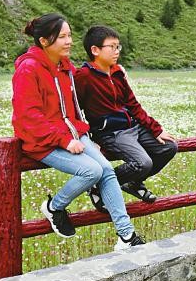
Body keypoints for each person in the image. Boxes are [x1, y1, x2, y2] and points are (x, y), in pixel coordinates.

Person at [11, 13, 145, 249]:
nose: (70, 41)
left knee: (107, 170)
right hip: (42, 141)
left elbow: (84, 89)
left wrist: (113, 70)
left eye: (70, 35)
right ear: (44, 41)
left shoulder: (65, 67)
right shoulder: (28, 69)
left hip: (72, 134)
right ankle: (54, 207)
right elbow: (29, 116)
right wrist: (64, 140)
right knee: (92, 171)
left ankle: (127, 236)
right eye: (62, 37)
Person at [74, 25, 177, 208]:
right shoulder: (84, 76)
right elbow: (75, 109)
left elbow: (133, 104)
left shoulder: (116, 72)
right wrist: (88, 138)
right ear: (95, 50)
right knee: (142, 163)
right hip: (112, 133)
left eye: (118, 47)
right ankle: (99, 185)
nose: (117, 51)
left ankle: (134, 183)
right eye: (112, 47)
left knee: (169, 147)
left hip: (132, 126)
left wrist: (156, 129)